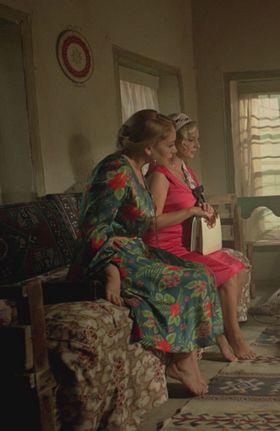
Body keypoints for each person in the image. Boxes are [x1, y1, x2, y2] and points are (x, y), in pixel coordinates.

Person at [67, 109, 222, 396]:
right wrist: (110, 271)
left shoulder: (139, 169)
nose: (174, 150)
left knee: (203, 272)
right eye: (170, 144)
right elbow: (93, 230)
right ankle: (182, 362)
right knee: (192, 282)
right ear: (149, 147)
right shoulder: (115, 170)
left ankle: (185, 358)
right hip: (107, 256)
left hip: (134, 250)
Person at [144, 113, 256, 361]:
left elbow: (192, 202)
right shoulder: (159, 175)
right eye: (191, 140)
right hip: (167, 248)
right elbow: (152, 223)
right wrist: (190, 212)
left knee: (238, 268)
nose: (197, 145)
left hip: (189, 243)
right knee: (227, 275)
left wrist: (204, 209)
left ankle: (221, 334)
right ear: (176, 142)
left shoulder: (186, 171)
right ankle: (232, 336)